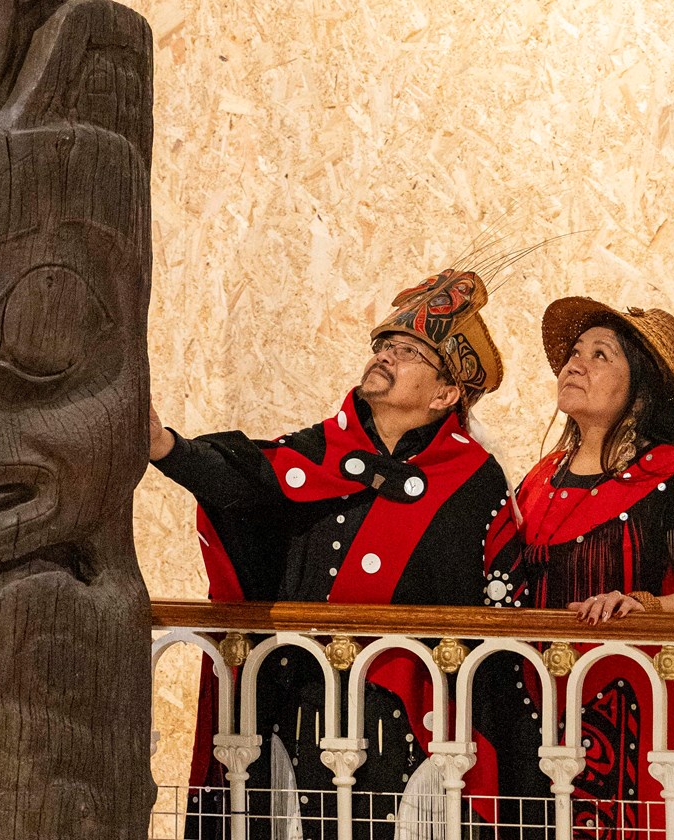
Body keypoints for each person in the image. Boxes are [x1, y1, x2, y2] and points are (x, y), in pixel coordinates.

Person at [151, 266, 537, 837]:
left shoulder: (473, 481)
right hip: (291, 696)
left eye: (409, 352)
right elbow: (244, 479)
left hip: (402, 716)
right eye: (385, 344)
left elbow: (493, 602)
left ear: (446, 393)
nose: (386, 355)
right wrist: (164, 446)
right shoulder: (317, 450)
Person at [486, 298, 674, 837]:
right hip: (534, 715)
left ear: (640, 390)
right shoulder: (538, 480)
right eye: (575, 353)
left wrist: (643, 606)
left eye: (599, 355)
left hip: (631, 722)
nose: (574, 365)